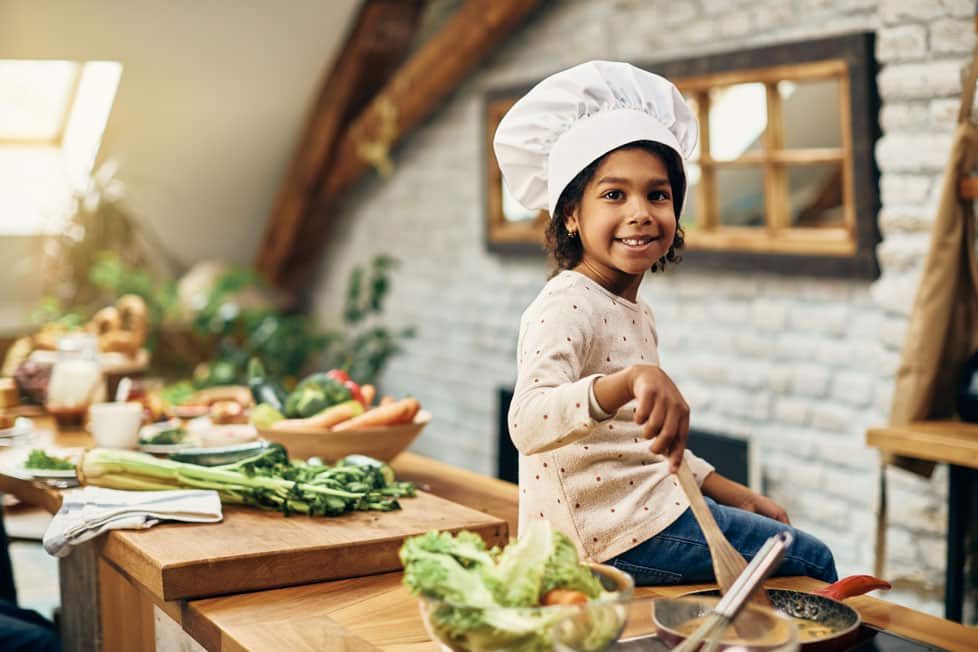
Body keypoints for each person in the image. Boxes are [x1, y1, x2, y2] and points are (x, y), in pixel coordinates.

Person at [494, 60, 837, 585]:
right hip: (604, 538)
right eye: (613, 195)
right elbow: (528, 421)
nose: (641, 212)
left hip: (644, 515)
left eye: (658, 194)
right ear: (570, 215)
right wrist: (629, 381)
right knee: (812, 562)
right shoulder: (566, 303)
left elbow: (643, 445)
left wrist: (736, 493)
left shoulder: (636, 311)